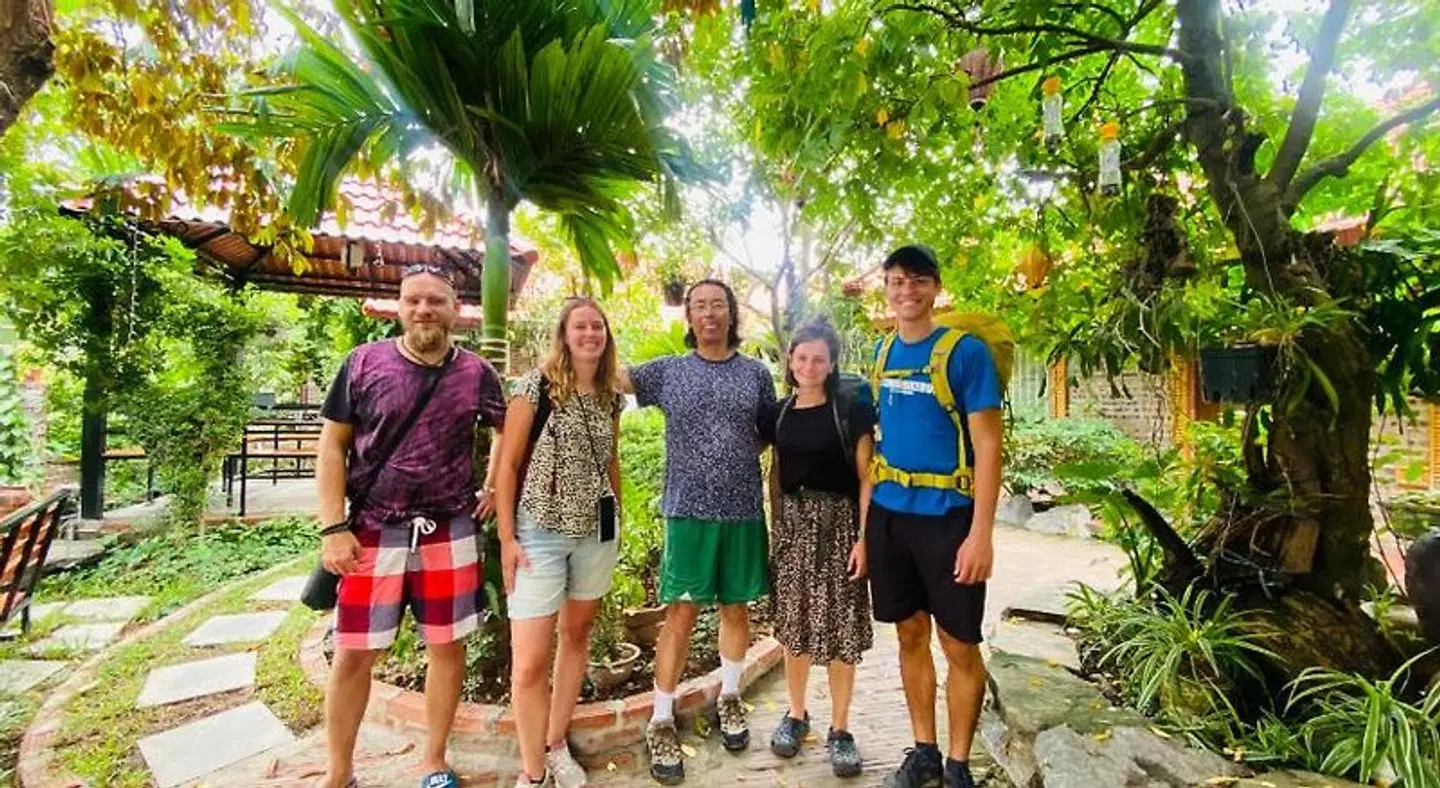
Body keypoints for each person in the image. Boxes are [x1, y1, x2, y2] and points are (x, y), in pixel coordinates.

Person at [314, 263, 507, 788]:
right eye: (413, 300)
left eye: (436, 301)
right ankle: (338, 773)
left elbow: (505, 430)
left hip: (450, 528)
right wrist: (333, 527)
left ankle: (434, 759)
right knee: (354, 654)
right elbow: (332, 445)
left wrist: (492, 485)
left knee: (447, 648)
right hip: (372, 531)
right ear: (399, 308)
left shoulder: (476, 373)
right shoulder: (363, 363)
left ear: (455, 310)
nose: (424, 309)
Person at [622, 279, 776, 785]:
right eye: (700, 306)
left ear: (731, 314)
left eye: (718, 305)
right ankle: (661, 719)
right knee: (681, 614)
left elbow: (769, 433)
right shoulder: (668, 371)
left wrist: (728, 457)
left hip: (742, 510)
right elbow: (613, 377)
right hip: (687, 511)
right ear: (688, 318)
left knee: (736, 608)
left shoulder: (756, 374)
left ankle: (729, 696)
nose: (709, 313)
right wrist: (575, 346)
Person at [867, 245, 1002, 788]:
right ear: (886, 289)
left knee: (959, 642)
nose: (907, 290)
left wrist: (981, 534)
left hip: (949, 519)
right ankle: (924, 750)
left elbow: (988, 445)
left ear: (936, 287)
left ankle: (958, 763)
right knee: (908, 633)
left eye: (918, 280)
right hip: (890, 515)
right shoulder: (881, 352)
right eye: (897, 281)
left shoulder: (965, 354)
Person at [494, 297, 625, 788]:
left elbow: (610, 459)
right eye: (580, 326)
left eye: (597, 326)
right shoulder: (536, 387)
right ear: (564, 335)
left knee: (576, 635)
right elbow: (508, 465)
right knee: (529, 663)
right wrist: (507, 538)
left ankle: (555, 744)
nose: (590, 334)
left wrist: (618, 518)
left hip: (595, 534)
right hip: (539, 534)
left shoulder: (611, 397)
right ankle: (533, 774)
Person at [758, 318, 875, 778]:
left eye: (819, 359)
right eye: (802, 357)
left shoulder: (850, 411)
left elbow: (866, 478)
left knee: (842, 630)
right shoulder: (778, 413)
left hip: (840, 528)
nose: (809, 366)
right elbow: (775, 472)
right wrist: (778, 530)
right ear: (790, 360)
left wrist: (864, 539)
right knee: (795, 627)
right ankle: (796, 713)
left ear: (831, 364)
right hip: (793, 530)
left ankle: (841, 729)